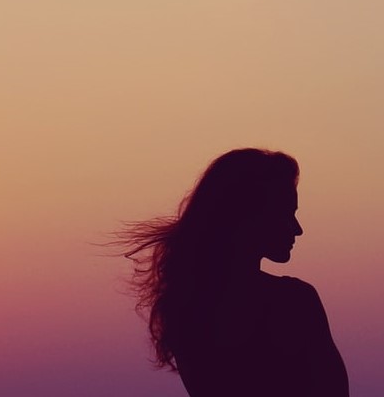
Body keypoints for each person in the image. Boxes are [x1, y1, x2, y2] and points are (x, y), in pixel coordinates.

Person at [113, 148, 349, 396]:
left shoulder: (186, 307)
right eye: (286, 214)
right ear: (249, 216)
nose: (297, 229)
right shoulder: (294, 301)